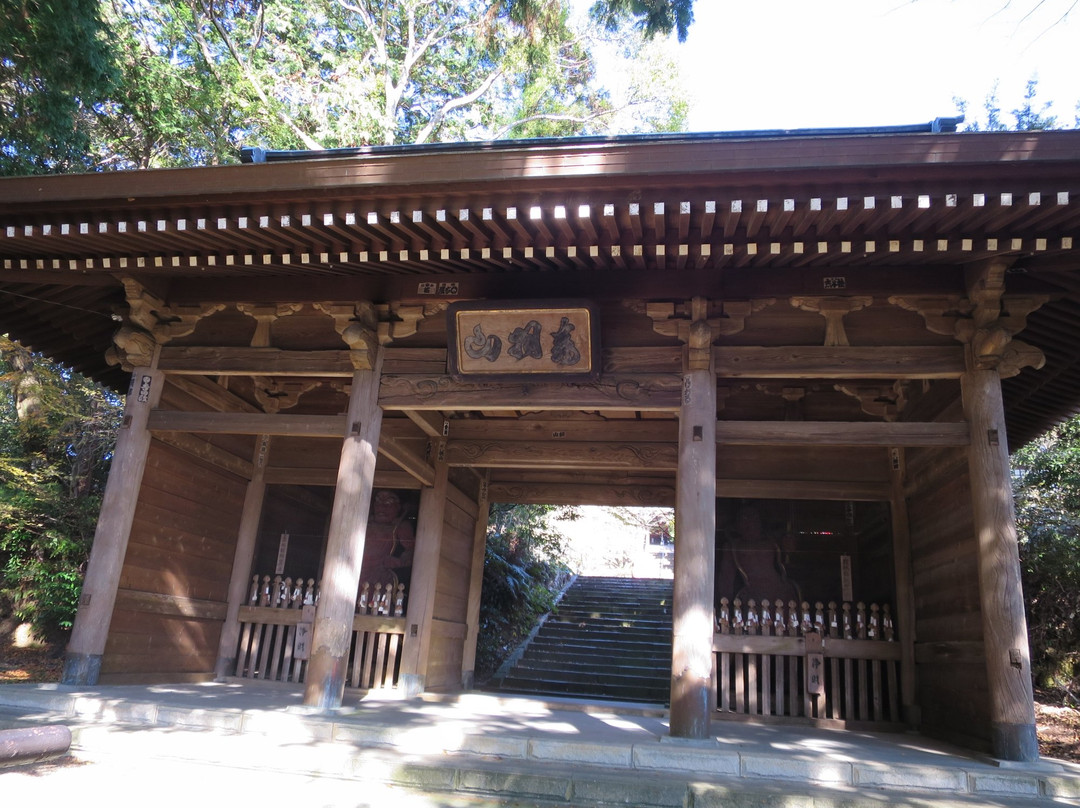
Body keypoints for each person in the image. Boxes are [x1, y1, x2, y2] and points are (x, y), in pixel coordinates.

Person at [359, 490, 415, 590]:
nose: (381, 507)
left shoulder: (399, 527)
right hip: (357, 569)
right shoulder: (364, 524)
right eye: (378, 502)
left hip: (378, 574)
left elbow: (411, 551)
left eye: (388, 503)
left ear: (398, 507)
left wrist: (398, 561)